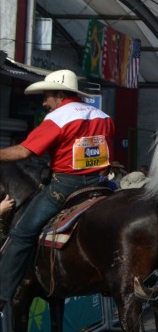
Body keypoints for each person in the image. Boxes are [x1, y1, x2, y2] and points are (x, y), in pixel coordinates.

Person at [0, 70, 115, 314]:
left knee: (20, 235)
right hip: (101, 184)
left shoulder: (57, 118)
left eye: (47, 96)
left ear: (60, 94)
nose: (44, 103)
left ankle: (2, 295)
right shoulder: (104, 116)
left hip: (66, 186)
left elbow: (23, 153)